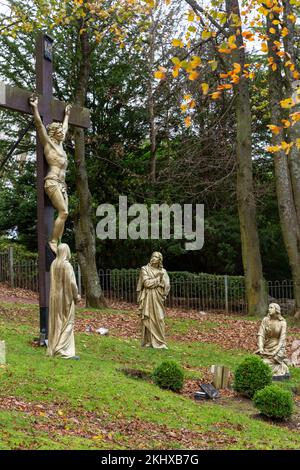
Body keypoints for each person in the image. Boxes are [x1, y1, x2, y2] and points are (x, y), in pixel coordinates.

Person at [29, 94, 71, 254]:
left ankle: (57, 241)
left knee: (65, 214)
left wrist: (66, 115)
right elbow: (39, 126)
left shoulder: (60, 145)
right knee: (64, 211)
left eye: (61, 130)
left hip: (62, 185)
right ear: (53, 133)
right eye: (59, 131)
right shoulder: (48, 144)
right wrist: (35, 108)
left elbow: (66, 128)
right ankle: (53, 241)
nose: (62, 133)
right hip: (52, 182)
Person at [47, 243, 81, 359]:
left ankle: (53, 348)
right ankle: (62, 350)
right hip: (65, 298)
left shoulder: (54, 264)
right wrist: (76, 296)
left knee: (56, 322)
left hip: (54, 298)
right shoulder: (66, 265)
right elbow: (72, 283)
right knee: (68, 323)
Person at [137, 252, 170, 349]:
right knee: (148, 317)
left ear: (160, 260)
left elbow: (167, 286)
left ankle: (160, 342)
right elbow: (146, 283)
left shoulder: (164, 271)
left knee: (159, 318)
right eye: (152, 256)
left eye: (156, 257)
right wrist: (158, 279)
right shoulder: (145, 269)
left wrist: (161, 283)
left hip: (158, 298)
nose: (153, 258)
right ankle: (148, 341)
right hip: (148, 297)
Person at [255, 302, 289, 376]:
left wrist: (275, 352)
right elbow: (261, 334)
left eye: (271, 308)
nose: (269, 309)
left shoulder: (282, 323)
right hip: (267, 346)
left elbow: (282, 340)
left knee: (264, 363)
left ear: (276, 310)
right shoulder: (265, 320)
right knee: (256, 360)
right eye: (269, 307)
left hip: (278, 348)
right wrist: (260, 347)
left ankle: (281, 366)